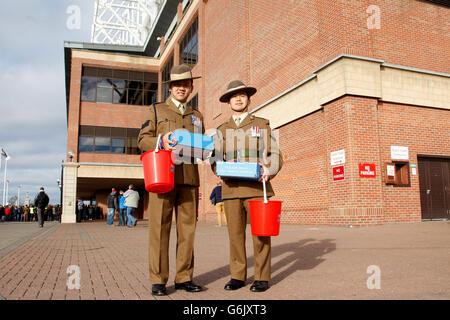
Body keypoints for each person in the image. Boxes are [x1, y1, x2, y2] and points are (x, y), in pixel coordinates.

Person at [138, 63, 204, 296]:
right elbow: (142, 139)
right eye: (177, 84)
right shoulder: (156, 110)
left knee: (187, 232)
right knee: (159, 229)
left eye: (185, 84)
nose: (181, 88)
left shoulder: (197, 116)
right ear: (170, 88)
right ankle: (158, 280)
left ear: (191, 87)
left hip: (189, 179)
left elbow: (201, 147)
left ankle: (184, 278)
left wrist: (209, 150)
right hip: (162, 177)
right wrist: (161, 140)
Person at [212, 80, 283, 293]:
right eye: (234, 96)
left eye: (242, 95)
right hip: (232, 190)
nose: (239, 99)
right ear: (229, 102)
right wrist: (221, 169)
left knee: (261, 234)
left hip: (256, 188)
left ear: (248, 99)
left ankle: (261, 277)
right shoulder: (221, 130)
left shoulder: (261, 124)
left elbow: (275, 153)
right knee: (235, 235)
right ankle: (237, 276)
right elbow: (214, 159)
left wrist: (269, 169)